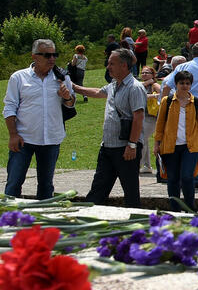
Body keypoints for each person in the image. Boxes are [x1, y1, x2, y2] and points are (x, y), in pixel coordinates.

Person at [4, 39, 76, 199]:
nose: (52, 58)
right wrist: (13, 135)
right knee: (14, 183)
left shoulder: (62, 77)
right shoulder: (18, 78)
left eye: (54, 55)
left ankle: (43, 215)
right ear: (34, 56)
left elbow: (71, 104)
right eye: (47, 55)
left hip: (51, 139)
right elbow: (9, 107)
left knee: (46, 185)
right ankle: (9, 215)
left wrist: (67, 97)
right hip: (24, 139)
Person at [73, 48, 146, 208]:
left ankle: (136, 220)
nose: (108, 67)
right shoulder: (114, 84)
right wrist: (74, 87)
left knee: (131, 192)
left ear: (124, 65)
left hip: (126, 149)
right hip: (107, 147)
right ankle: (88, 217)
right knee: (98, 189)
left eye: (112, 64)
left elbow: (139, 117)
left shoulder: (135, 87)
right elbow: (97, 92)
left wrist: (132, 145)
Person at [161, 43, 198, 190]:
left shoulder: (182, 67)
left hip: (180, 109)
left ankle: (182, 176)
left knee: (180, 143)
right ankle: (197, 177)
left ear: (191, 53)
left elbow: (167, 86)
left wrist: (164, 105)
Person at [153, 70, 198, 211]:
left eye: (187, 83)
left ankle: (190, 209)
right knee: (173, 179)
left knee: (187, 176)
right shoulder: (167, 101)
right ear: (176, 84)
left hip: (191, 146)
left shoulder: (197, 103)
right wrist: (156, 144)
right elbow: (160, 123)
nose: (184, 86)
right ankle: (175, 210)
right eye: (181, 83)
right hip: (171, 145)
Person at [138, 66, 162, 175]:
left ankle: (137, 165)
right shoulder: (140, 85)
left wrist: (152, 96)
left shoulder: (154, 85)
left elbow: (164, 94)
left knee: (142, 140)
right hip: (141, 116)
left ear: (153, 74)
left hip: (151, 117)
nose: (144, 74)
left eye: (147, 73)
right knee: (145, 141)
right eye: (143, 73)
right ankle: (147, 166)